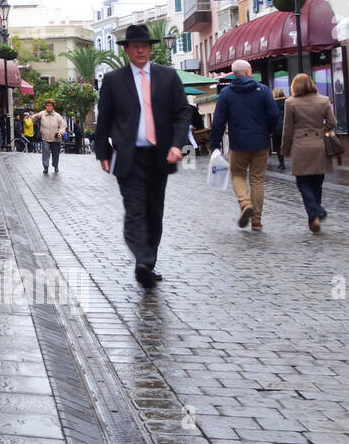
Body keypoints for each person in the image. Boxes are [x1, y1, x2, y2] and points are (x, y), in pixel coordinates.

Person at [93, 23, 192, 288]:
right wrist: (101, 152)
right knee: (135, 209)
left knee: (154, 212)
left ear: (150, 49)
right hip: (129, 156)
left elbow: (183, 112)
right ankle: (142, 260)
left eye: (145, 46)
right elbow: (104, 118)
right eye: (136, 46)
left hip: (160, 155)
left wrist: (177, 144)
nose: (141, 50)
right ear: (127, 50)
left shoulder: (168, 76)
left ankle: (148, 261)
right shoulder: (114, 80)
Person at [209, 59, 280, 232]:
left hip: (238, 143)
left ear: (234, 74)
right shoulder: (262, 90)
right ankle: (256, 220)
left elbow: (218, 120)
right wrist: (268, 131)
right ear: (249, 72)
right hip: (260, 142)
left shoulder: (226, 93)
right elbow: (274, 114)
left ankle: (245, 203)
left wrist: (214, 144)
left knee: (238, 174)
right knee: (257, 179)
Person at [281, 73, 338, 233]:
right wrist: (321, 130)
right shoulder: (323, 100)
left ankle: (317, 211)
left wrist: (285, 149)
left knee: (303, 183)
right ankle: (315, 219)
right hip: (320, 145)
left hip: (301, 146)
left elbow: (288, 129)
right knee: (317, 183)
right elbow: (333, 122)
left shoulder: (290, 103)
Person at [33, 98, 67, 174]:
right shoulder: (41, 114)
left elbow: (63, 126)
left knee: (55, 154)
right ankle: (46, 167)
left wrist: (60, 133)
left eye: (50, 106)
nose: (48, 107)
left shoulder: (57, 116)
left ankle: (55, 166)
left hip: (56, 139)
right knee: (45, 153)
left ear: (53, 107)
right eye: (47, 105)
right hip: (45, 138)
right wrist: (36, 117)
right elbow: (32, 120)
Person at [271, 86, 287, 170]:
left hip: (276, 128)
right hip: (287, 127)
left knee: (278, 146)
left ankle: (282, 164)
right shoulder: (288, 102)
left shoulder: (272, 103)